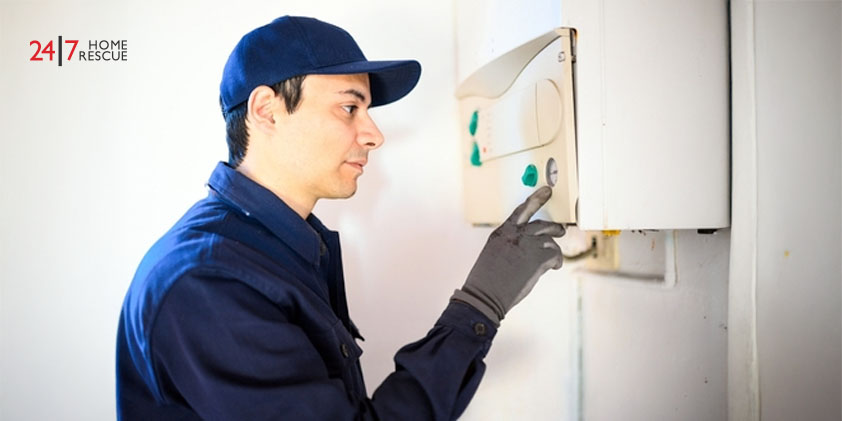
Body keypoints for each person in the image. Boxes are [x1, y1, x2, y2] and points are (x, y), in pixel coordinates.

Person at [116, 15, 566, 420]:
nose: (374, 134)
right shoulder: (208, 282)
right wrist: (478, 307)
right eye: (350, 108)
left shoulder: (274, 249)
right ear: (266, 110)